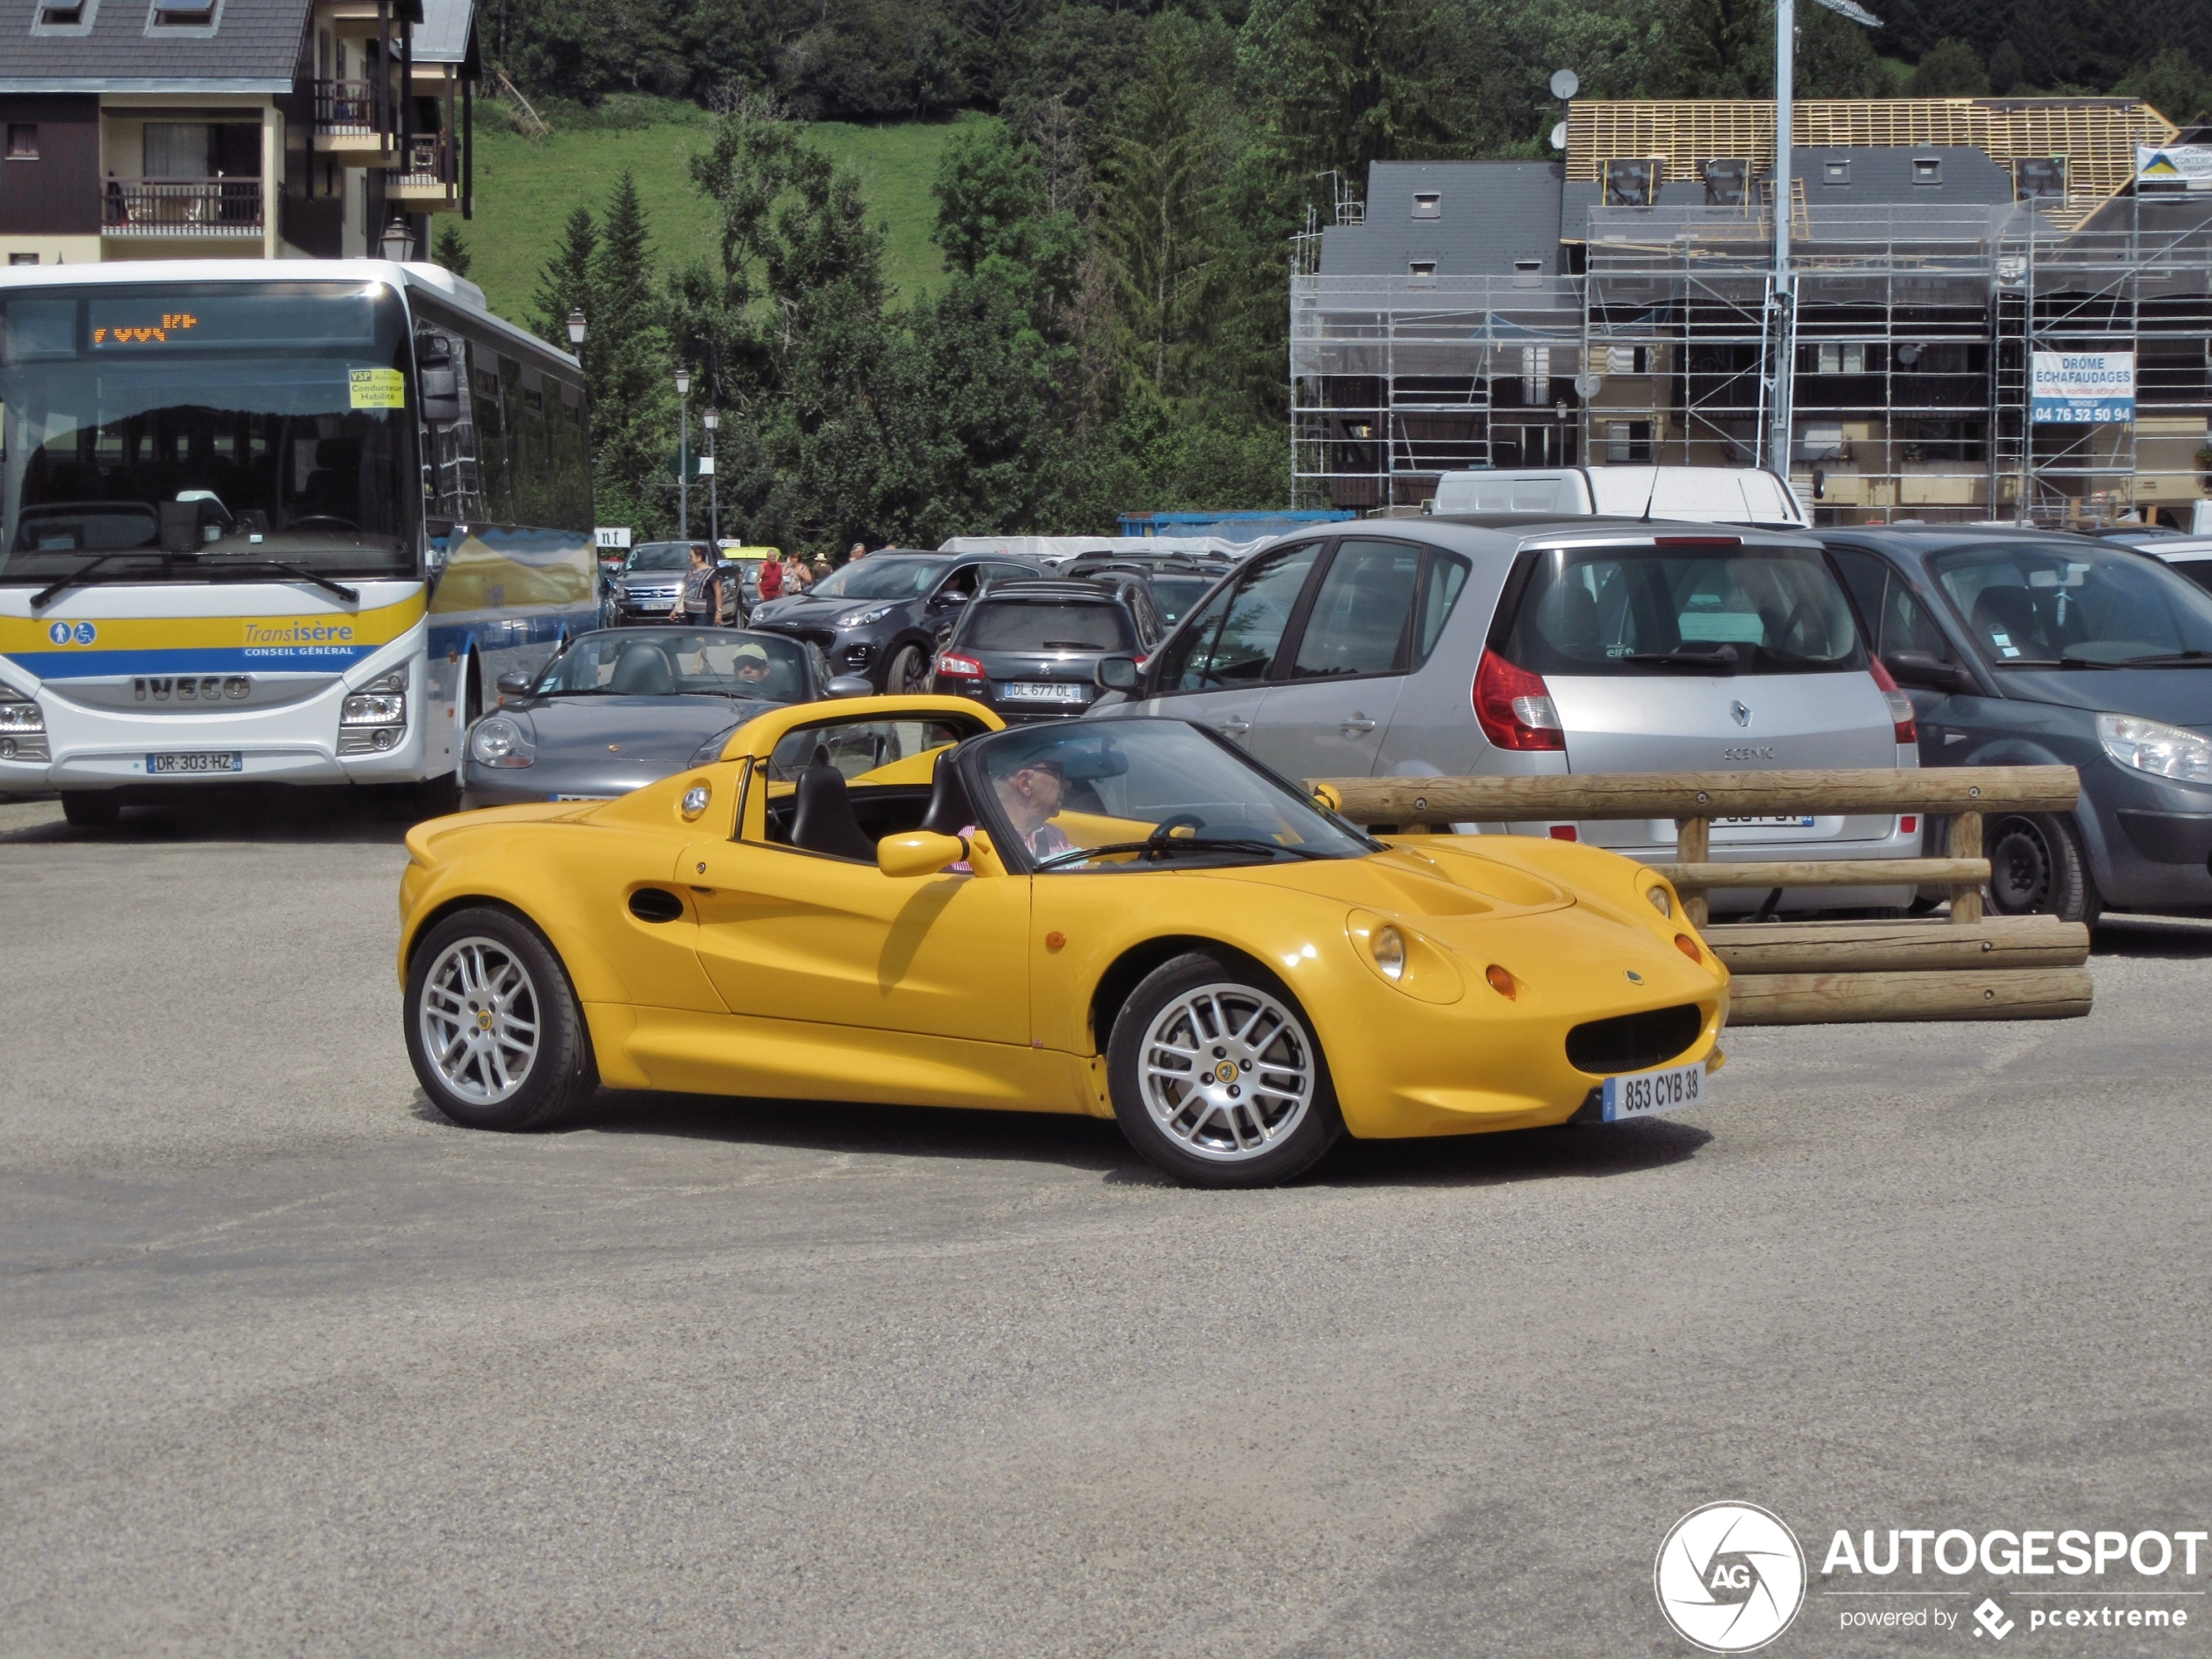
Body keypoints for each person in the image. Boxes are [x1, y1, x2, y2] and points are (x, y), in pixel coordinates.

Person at [985, 755, 1076, 860]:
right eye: (1057, 773)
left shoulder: (1056, 836)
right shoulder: (974, 843)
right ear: (1025, 783)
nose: (1067, 784)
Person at [674, 543, 721, 626]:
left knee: (700, 637)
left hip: (704, 612)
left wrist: (719, 611)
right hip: (689, 611)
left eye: (691, 556)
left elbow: (718, 592)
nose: (689, 558)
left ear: (699, 558)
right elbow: (684, 591)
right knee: (692, 635)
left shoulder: (711, 572)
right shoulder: (690, 572)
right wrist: (675, 609)